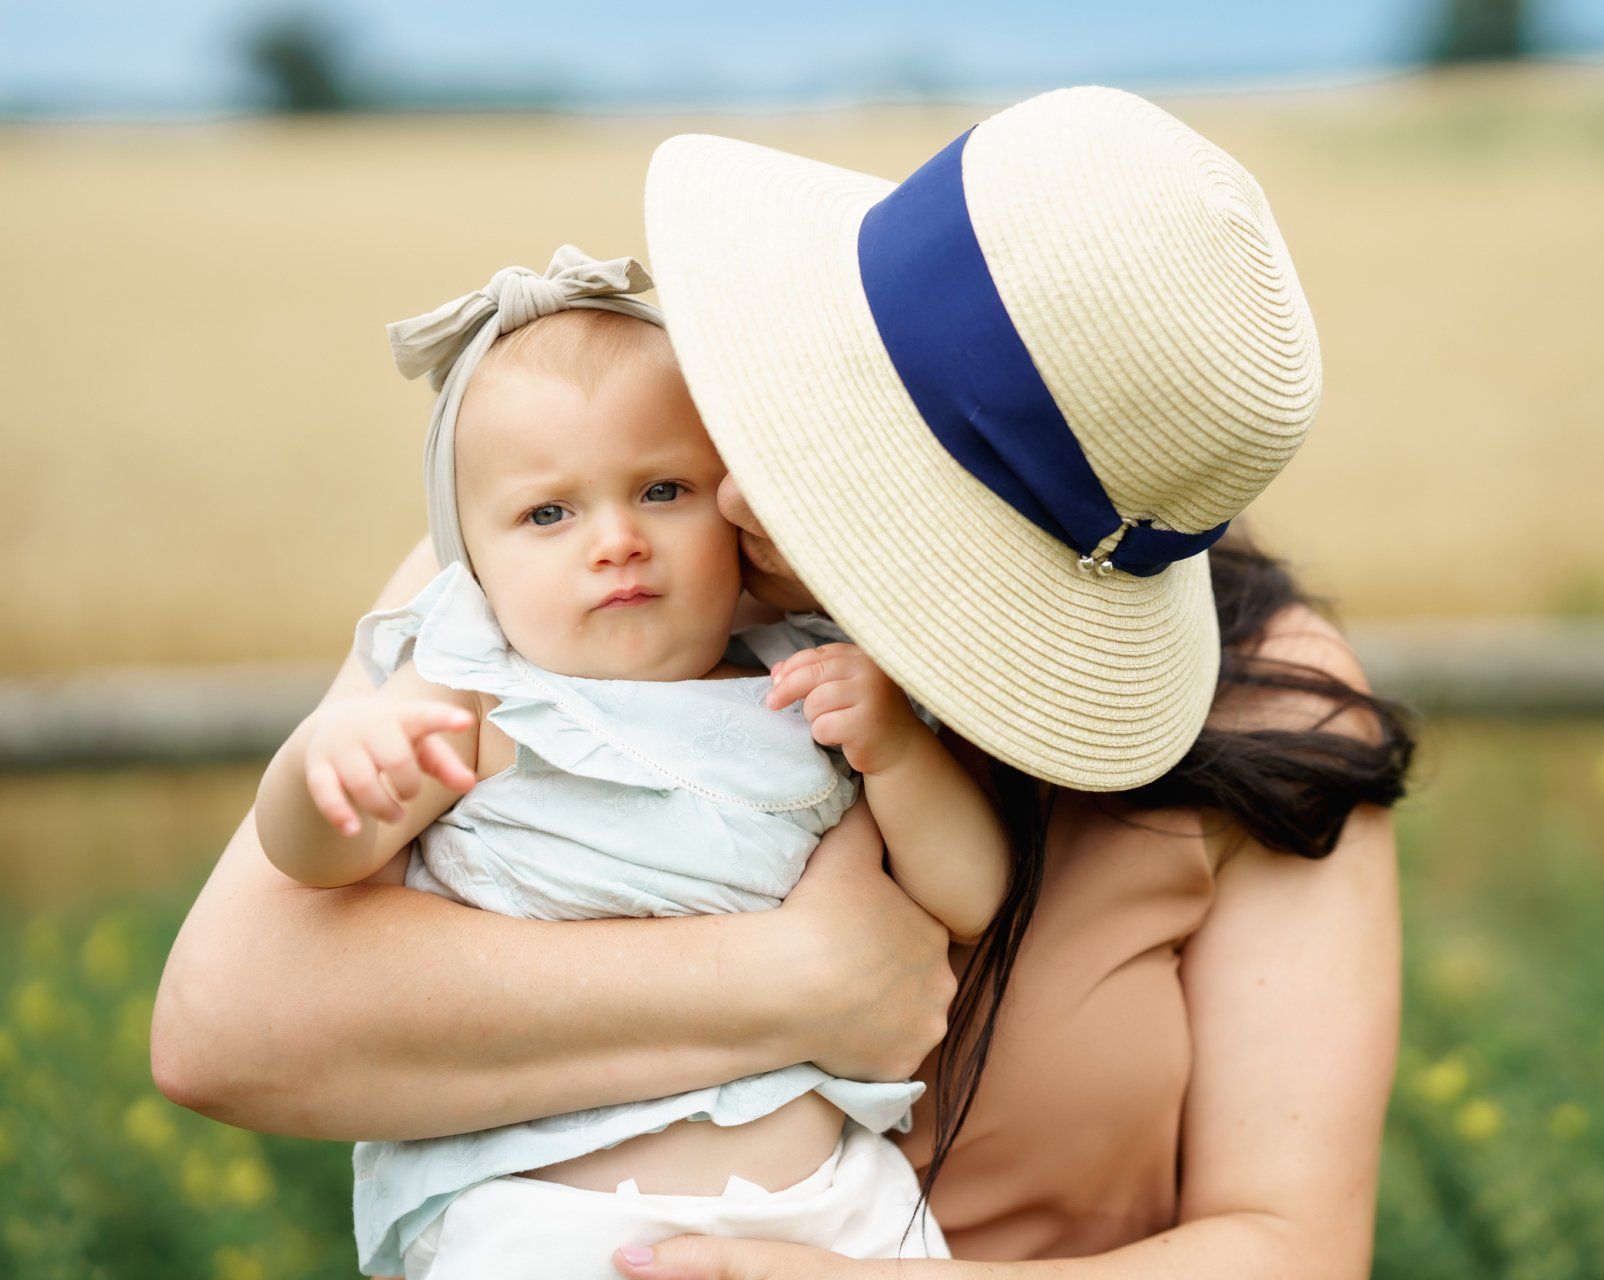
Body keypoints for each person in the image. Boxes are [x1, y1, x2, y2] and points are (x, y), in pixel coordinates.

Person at [153, 86, 1415, 1279]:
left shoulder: (1276, 706)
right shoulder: (565, 563)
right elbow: (228, 1023)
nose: (738, 492)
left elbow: (1289, 1244)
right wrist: (789, 980)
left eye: (866, 465)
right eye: (825, 396)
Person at [251, 248, 1008, 1276]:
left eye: (662, 489)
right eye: (548, 513)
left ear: (733, 509)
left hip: (833, 1209)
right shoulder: (476, 699)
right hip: (547, 1221)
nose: (615, 540)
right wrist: (325, 768)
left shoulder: (803, 680)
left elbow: (968, 892)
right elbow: (316, 863)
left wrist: (898, 749)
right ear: (469, 559)